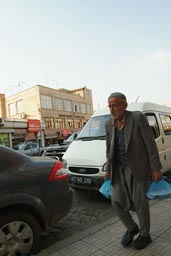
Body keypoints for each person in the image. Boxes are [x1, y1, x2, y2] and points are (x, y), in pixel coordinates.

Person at [104, 92, 162, 250]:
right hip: (118, 169)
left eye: (115, 105)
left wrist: (155, 168)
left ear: (124, 105)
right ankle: (131, 228)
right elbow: (109, 148)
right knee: (116, 201)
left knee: (140, 203)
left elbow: (150, 144)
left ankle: (145, 235)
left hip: (138, 168)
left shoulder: (137, 118)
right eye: (109, 105)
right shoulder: (109, 123)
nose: (112, 109)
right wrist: (108, 169)